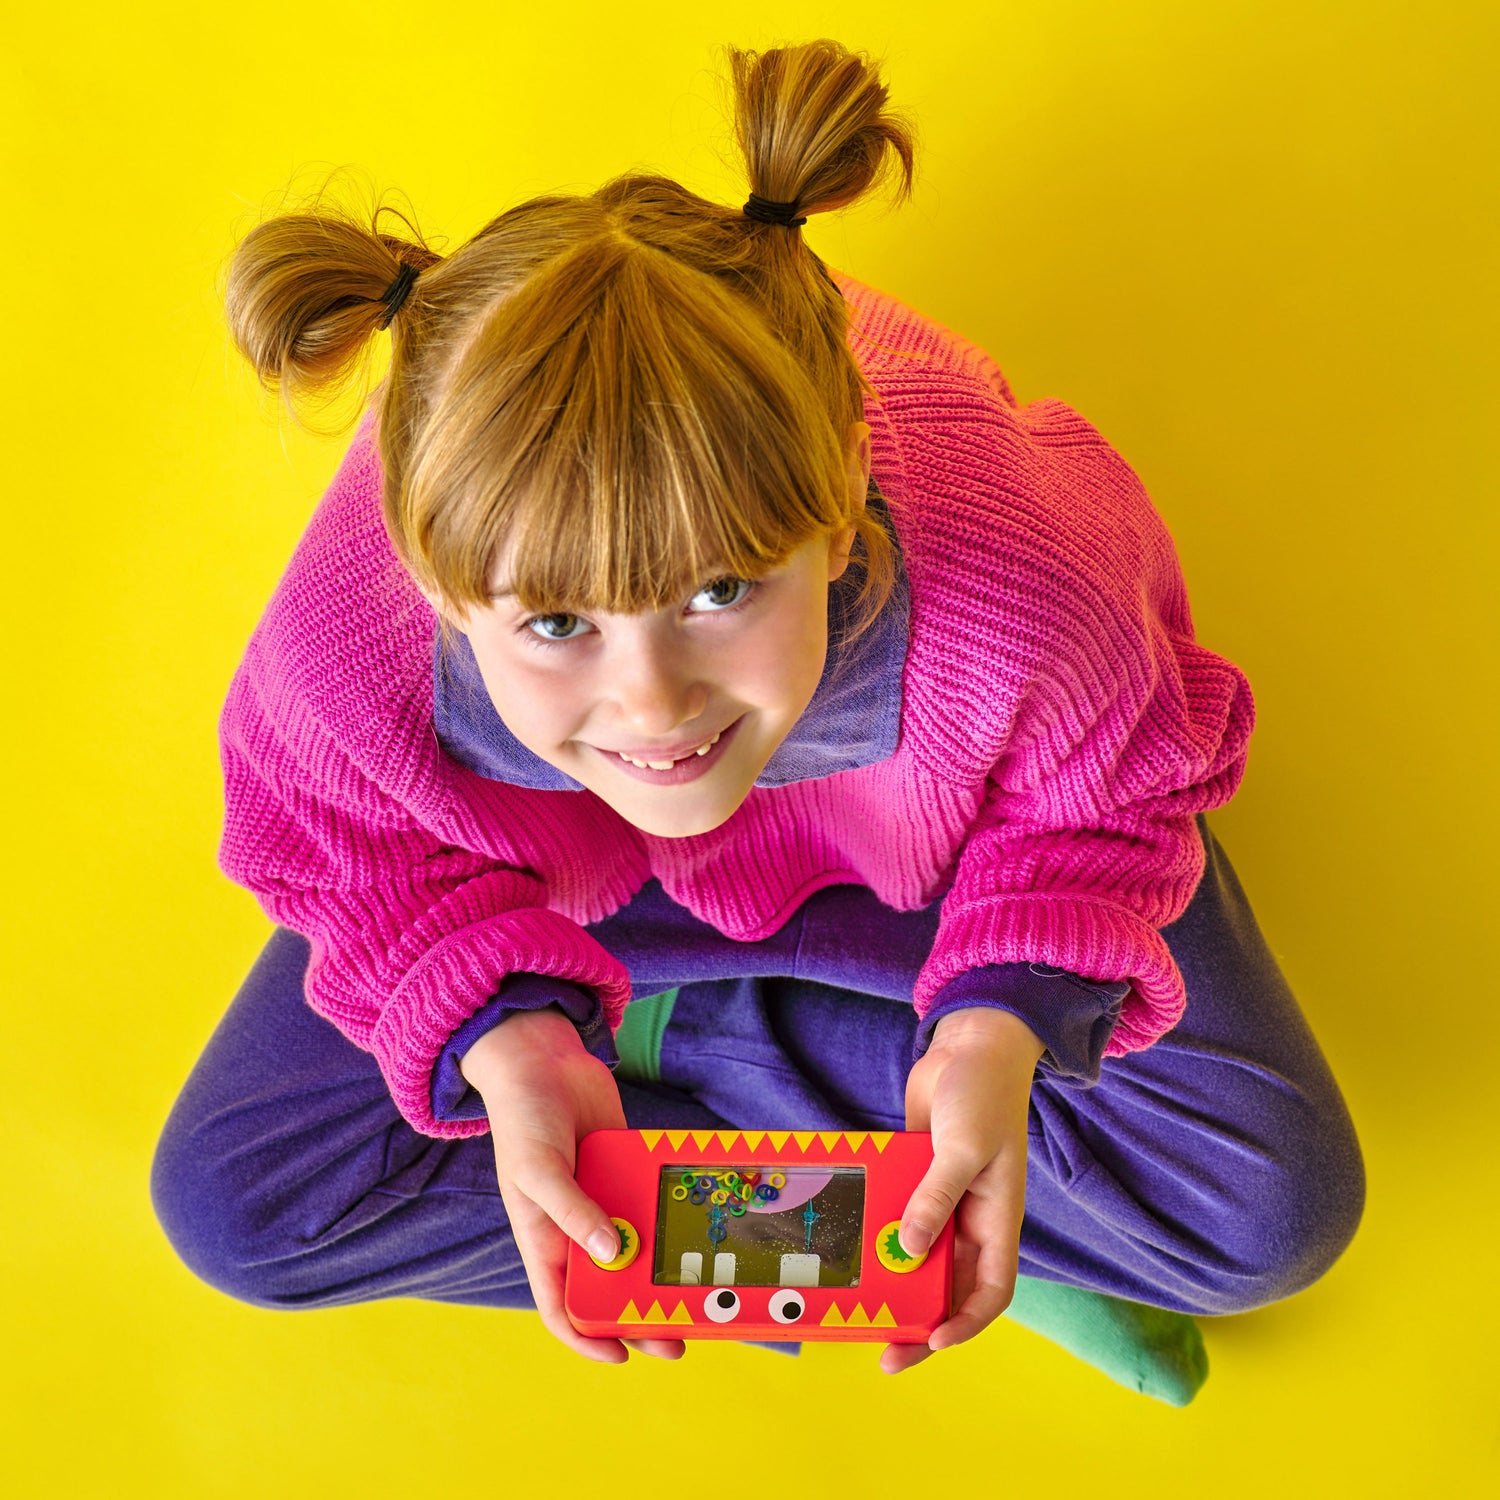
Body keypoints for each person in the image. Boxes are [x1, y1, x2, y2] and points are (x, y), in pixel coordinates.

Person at [151, 38, 1364, 1403]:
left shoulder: (1030, 570)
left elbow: (1110, 798)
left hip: (950, 880)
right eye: (556, 627)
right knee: (235, 1203)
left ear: (842, 499)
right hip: (549, 917)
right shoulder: (347, 652)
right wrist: (511, 1041)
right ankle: (943, 1216)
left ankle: (841, 1130)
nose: (651, 707)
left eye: (720, 592)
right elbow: (350, 858)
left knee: (1273, 1212)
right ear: (433, 583)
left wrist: (998, 1034)